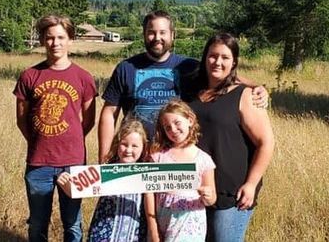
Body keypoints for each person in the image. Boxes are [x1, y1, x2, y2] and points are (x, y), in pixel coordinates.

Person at [98, 10, 268, 164]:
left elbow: (224, 73)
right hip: (133, 156)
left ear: (173, 35)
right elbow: (109, 113)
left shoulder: (188, 66)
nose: (157, 37)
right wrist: (104, 157)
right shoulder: (126, 68)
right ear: (144, 34)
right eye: (151, 32)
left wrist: (256, 87)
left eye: (163, 32)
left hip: (174, 160)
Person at [13, 14, 97, 242]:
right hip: (39, 162)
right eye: (49, 38)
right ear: (42, 40)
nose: (55, 43)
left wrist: (71, 139)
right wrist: (40, 141)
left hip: (73, 162)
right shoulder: (30, 76)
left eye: (61, 37)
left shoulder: (83, 77)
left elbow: (89, 120)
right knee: (38, 223)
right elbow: (22, 119)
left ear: (70, 39)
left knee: (73, 223)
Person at [188, 33, 275, 242]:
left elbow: (266, 143)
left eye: (225, 57)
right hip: (195, 189)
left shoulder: (244, 96)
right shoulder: (191, 90)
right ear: (205, 57)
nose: (217, 62)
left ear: (234, 62)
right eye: (212, 56)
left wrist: (251, 184)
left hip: (232, 192)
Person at [57, 119, 148, 242]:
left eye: (135, 146)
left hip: (134, 233)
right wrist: (66, 183)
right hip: (105, 231)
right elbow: (77, 191)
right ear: (117, 144)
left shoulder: (148, 173)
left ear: (143, 148)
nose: (128, 150)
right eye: (124, 144)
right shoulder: (105, 171)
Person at [144, 99, 216, 242]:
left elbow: (212, 198)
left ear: (189, 120)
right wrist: (152, 227)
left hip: (190, 224)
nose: (173, 130)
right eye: (167, 127)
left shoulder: (203, 160)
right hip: (162, 222)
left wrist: (208, 196)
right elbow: (149, 193)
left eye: (177, 123)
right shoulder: (158, 157)